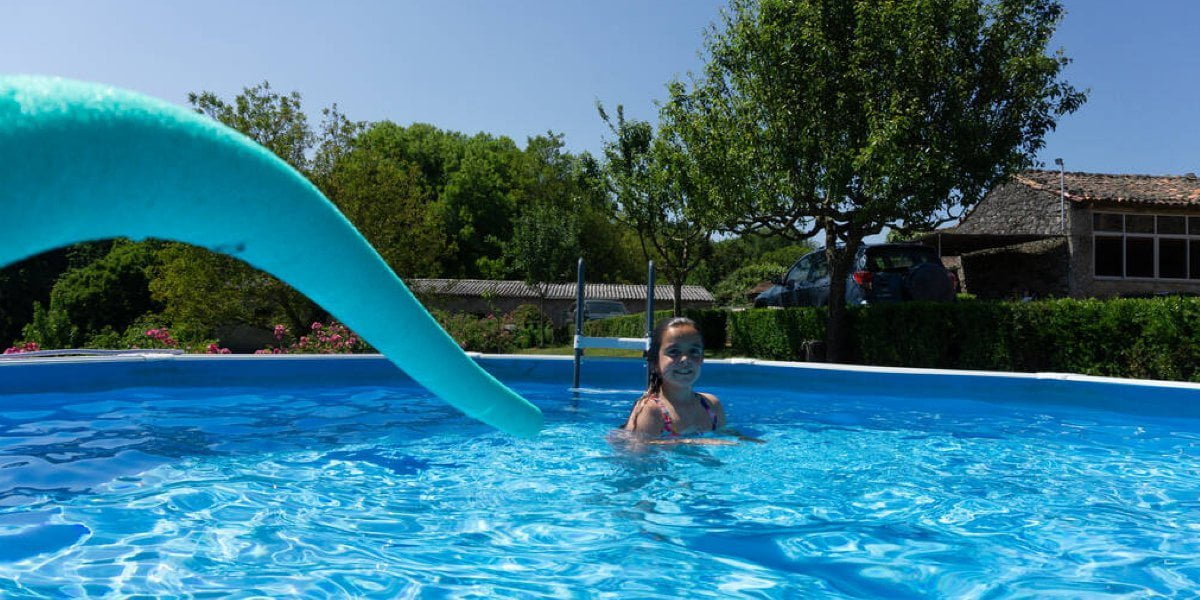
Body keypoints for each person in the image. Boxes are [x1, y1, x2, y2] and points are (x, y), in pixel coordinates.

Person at [622, 317, 745, 445]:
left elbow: (726, 437)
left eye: (694, 351)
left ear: (702, 359)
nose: (685, 359)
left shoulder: (711, 405)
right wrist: (694, 442)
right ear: (655, 363)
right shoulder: (651, 410)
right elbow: (638, 455)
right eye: (674, 352)